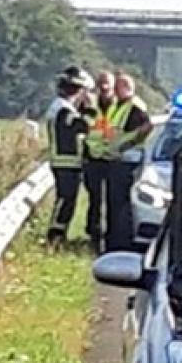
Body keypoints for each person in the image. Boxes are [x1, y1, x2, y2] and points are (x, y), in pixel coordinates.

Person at [45, 66, 94, 246]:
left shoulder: (58, 107)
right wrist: (90, 109)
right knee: (66, 200)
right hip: (66, 163)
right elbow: (84, 126)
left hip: (64, 162)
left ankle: (57, 235)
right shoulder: (64, 110)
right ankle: (55, 236)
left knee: (66, 200)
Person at [103, 73, 153, 252]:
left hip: (128, 160)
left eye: (117, 87)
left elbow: (147, 127)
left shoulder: (135, 106)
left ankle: (119, 243)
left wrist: (127, 145)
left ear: (125, 87)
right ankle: (113, 242)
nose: (114, 91)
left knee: (121, 204)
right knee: (113, 203)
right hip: (117, 159)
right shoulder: (119, 105)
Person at [82, 71, 116, 251]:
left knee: (112, 200)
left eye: (107, 83)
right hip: (93, 159)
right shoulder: (89, 104)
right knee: (95, 199)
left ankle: (110, 235)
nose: (104, 87)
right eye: (101, 83)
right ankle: (94, 234)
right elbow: (83, 126)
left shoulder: (119, 105)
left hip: (112, 160)